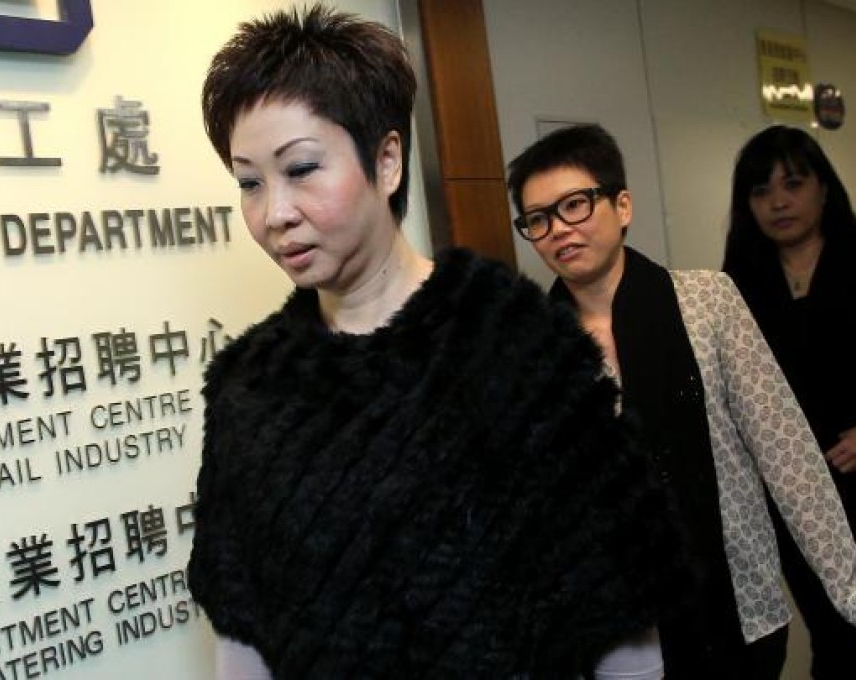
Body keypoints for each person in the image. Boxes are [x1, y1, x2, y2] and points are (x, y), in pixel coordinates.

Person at [187, 7, 686, 679]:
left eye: (301, 168)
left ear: (387, 160)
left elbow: (619, 613)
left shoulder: (515, 347)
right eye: (249, 182)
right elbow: (241, 635)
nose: (273, 212)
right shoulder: (251, 388)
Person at [507, 123, 856, 679]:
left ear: (621, 205)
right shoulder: (532, 342)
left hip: (729, 604)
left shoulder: (707, 301)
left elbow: (787, 454)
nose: (559, 230)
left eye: (575, 204)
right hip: (615, 622)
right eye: (538, 219)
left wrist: (848, 588)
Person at [723, 124, 856, 679]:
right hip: (792, 493)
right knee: (833, 635)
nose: (778, 202)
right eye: (760, 191)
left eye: (793, 184)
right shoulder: (735, 285)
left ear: (824, 189)